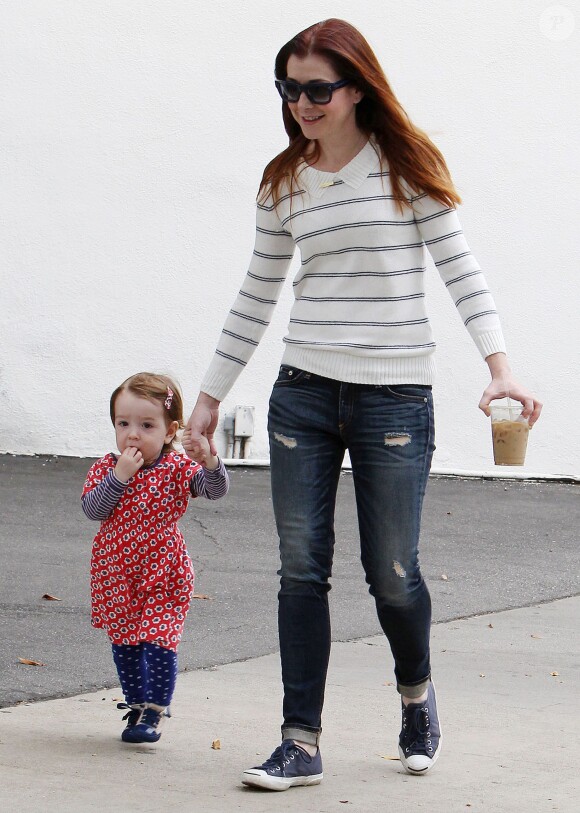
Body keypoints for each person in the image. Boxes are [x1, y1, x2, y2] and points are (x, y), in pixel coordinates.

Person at [184, 18, 542, 789]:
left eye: (318, 88)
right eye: (290, 88)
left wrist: (501, 366)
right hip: (302, 395)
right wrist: (209, 396)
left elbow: (461, 271)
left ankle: (415, 692)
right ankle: (300, 741)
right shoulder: (283, 180)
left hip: (394, 398)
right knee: (300, 570)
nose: (303, 102)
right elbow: (256, 293)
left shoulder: (404, 168)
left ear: (357, 88)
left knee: (393, 573)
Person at [81, 372, 229, 743]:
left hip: (163, 572)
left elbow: (214, 490)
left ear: (169, 431)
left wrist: (210, 460)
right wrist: (119, 477)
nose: (133, 433)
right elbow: (93, 509)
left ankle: (156, 710)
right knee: (126, 644)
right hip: (116, 575)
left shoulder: (176, 469)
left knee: (158, 639)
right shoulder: (106, 468)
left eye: (146, 425)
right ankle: (136, 706)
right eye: (123, 423)